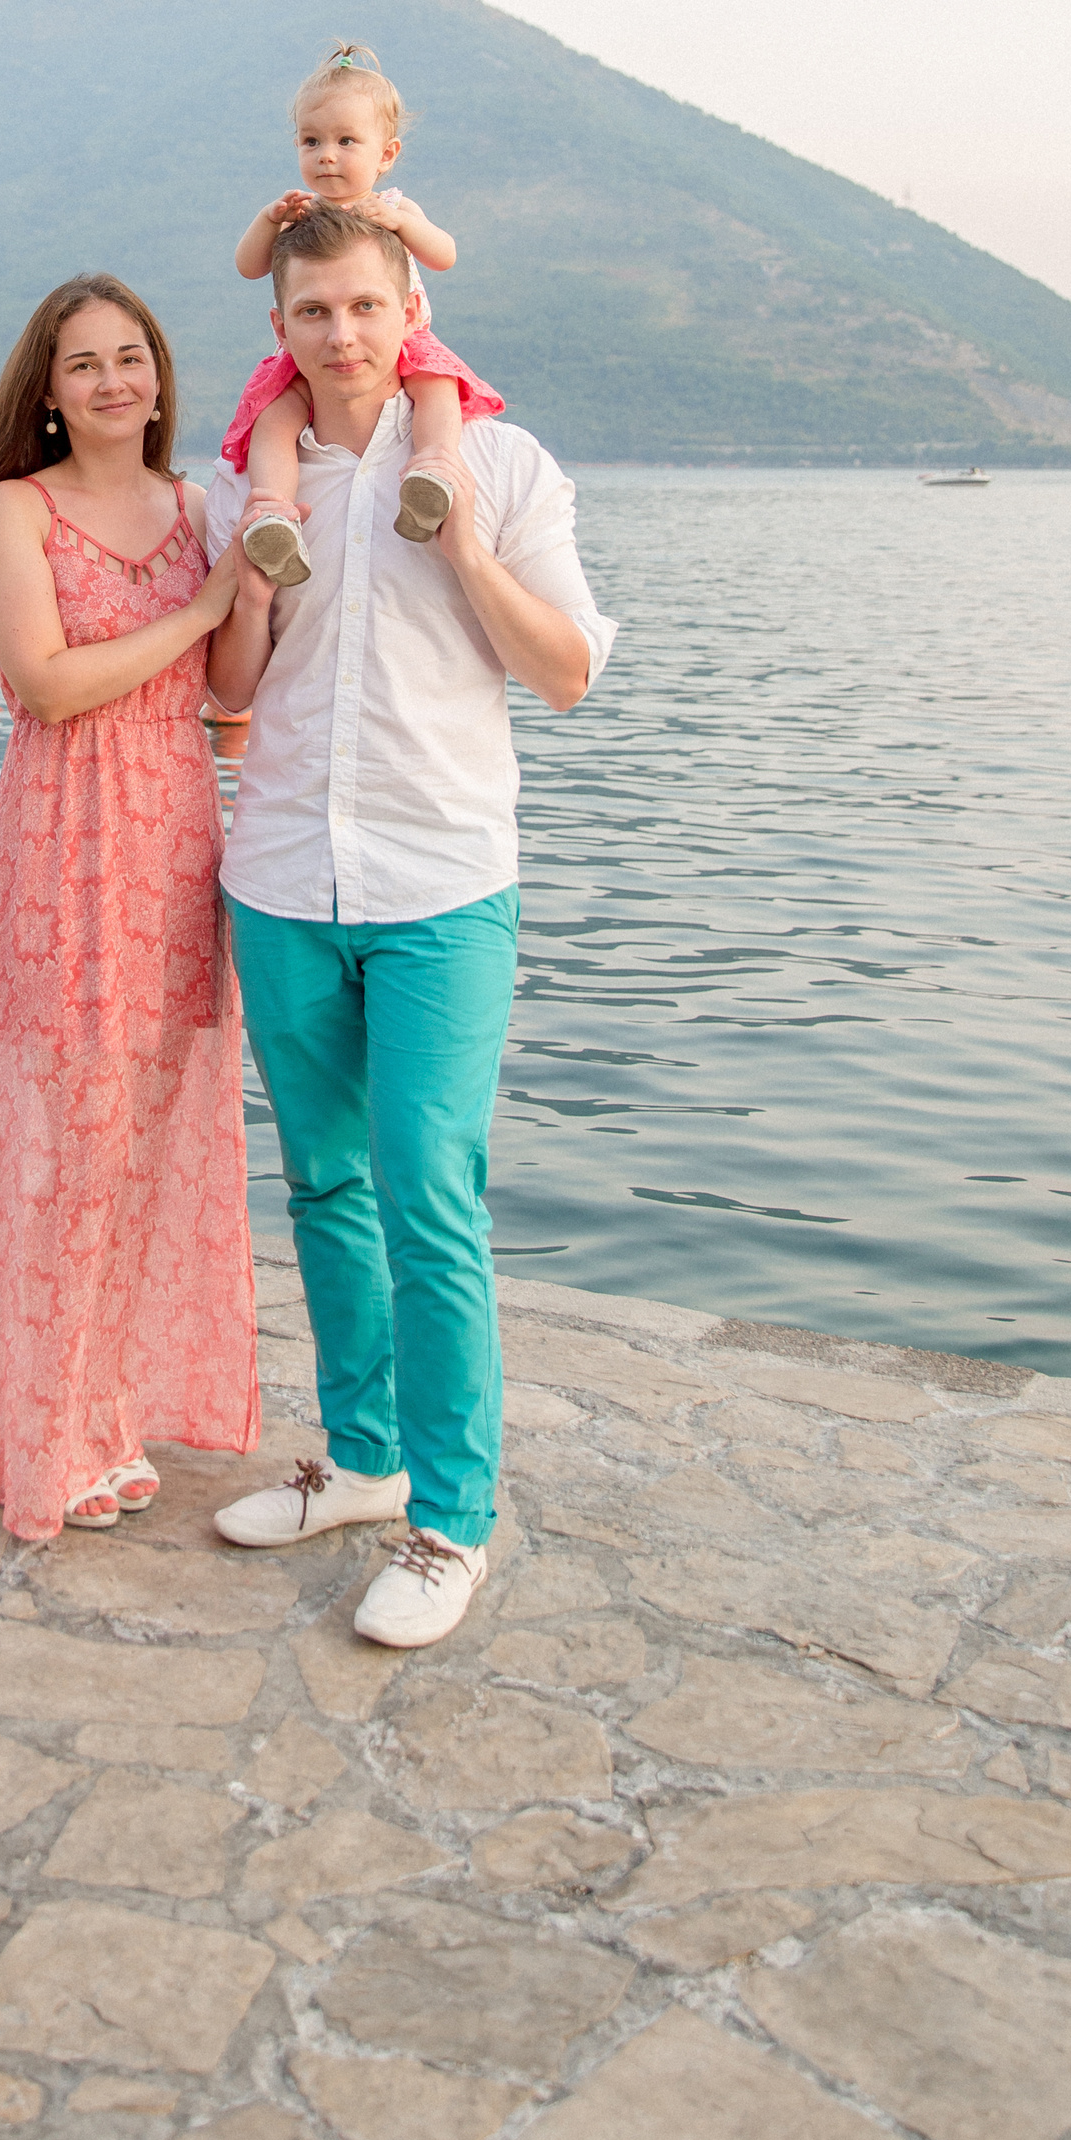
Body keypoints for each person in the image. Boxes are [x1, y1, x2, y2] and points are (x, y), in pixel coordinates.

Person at [204, 202, 614, 1647]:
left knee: (429, 1191)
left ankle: (453, 1522)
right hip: (279, 877)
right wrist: (251, 585)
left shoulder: (497, 464)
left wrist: (468, 556)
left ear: (405, 315)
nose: (341, 335)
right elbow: (232, 695)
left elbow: (566, 673)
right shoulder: (247, 482)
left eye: (366, 309)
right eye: (313, 314)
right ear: (282, 329)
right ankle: (364, 1463)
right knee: (323, 1183)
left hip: (444, 885)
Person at [0, 274, 260, 1541]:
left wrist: (259, 586)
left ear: (162, 378)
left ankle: (107, 1414)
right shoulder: (20, 508)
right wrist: (198, 605)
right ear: (50, 393)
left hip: (178, 839)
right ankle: (43, 1431)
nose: (116, 380)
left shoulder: (197, 508)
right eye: (86, 364)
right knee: (65, 1137)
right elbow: (48, 685)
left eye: (134, 357)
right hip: (68, 844)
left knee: (148, 1136)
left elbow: (231, 683)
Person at [229, 41, 503, 589]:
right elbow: (248, 267)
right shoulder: (298, 214)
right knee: (276, 415)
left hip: (401, 343)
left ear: (386, 155)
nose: (327, 154)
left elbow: (444, 254)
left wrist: (403, 224)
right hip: (314, 362)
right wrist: (267, 219)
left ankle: (433, 468)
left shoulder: (397, 207)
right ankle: (273, 511)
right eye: (312, 141)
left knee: (436, 385)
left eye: (346, 141)